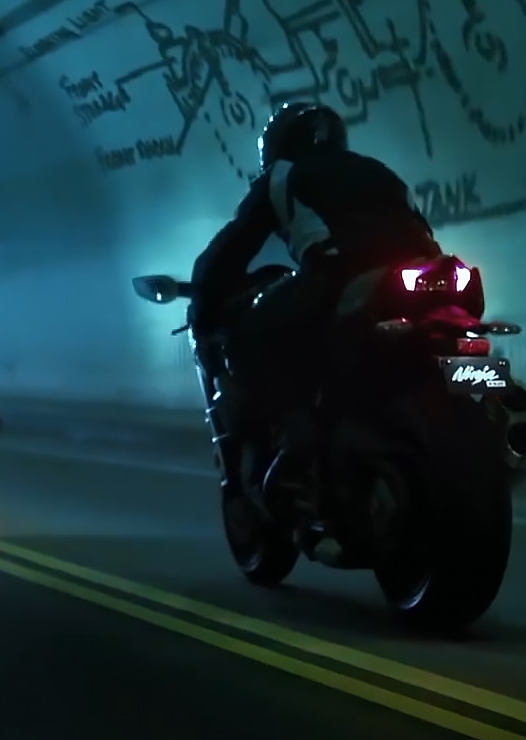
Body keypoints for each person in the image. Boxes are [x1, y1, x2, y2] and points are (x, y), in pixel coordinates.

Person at [187, 101, 441, 508]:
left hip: (339, 275)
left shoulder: (282, 175)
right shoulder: (378, 170)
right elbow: (420, 226)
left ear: (278, 146)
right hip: (427, 273)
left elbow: (233, 247)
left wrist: (204, 298)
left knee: (249, 341)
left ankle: (298, 434)